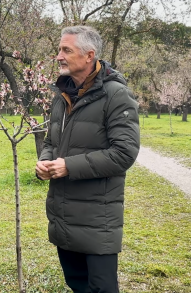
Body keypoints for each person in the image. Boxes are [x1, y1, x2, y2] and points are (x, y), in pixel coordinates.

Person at [35, 26, 140, 293]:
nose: (58, 56)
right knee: (76, 284)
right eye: (59, 49)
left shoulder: (115, 95)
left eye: (66, 50)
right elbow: (51, 142)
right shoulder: (62, 96)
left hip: (97, 218)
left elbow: (124, 153)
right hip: (63, 214)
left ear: (89, 55)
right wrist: (45, 163)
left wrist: (69, 166)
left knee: (102, 288)